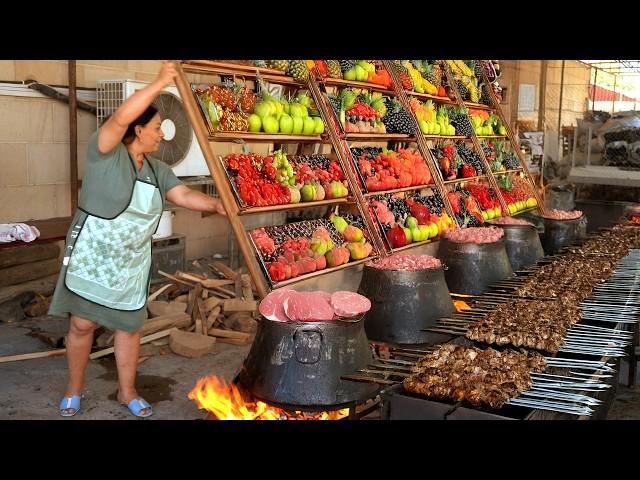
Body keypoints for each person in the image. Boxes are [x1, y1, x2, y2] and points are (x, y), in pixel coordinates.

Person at [49, 61, 226, 418]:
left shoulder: (158, 170)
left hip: (130, 264)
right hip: (94, 258)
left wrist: (217, 205)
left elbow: (184, 196)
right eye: (157, 127)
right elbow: (117, 120)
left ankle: (127, 391)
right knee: (82, 324)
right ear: (137, 130)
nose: (163, 134)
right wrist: (160, 81)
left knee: (128, 329)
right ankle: (73, 390)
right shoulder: (104, 153)